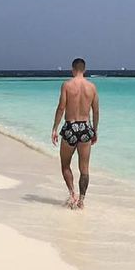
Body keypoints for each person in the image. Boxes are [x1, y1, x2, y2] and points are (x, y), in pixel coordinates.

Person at [51, 58, 99, 209]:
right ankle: (82, 200)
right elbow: (96, 111)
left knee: (65, 165)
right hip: (85, 128)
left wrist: (54, 128)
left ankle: (72, 194)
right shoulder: (92, 87)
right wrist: (94, 130)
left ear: (73, 69)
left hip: (70, 128)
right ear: (84, 70)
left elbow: (61, 107)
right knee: (84, 168)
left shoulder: (67, 85)